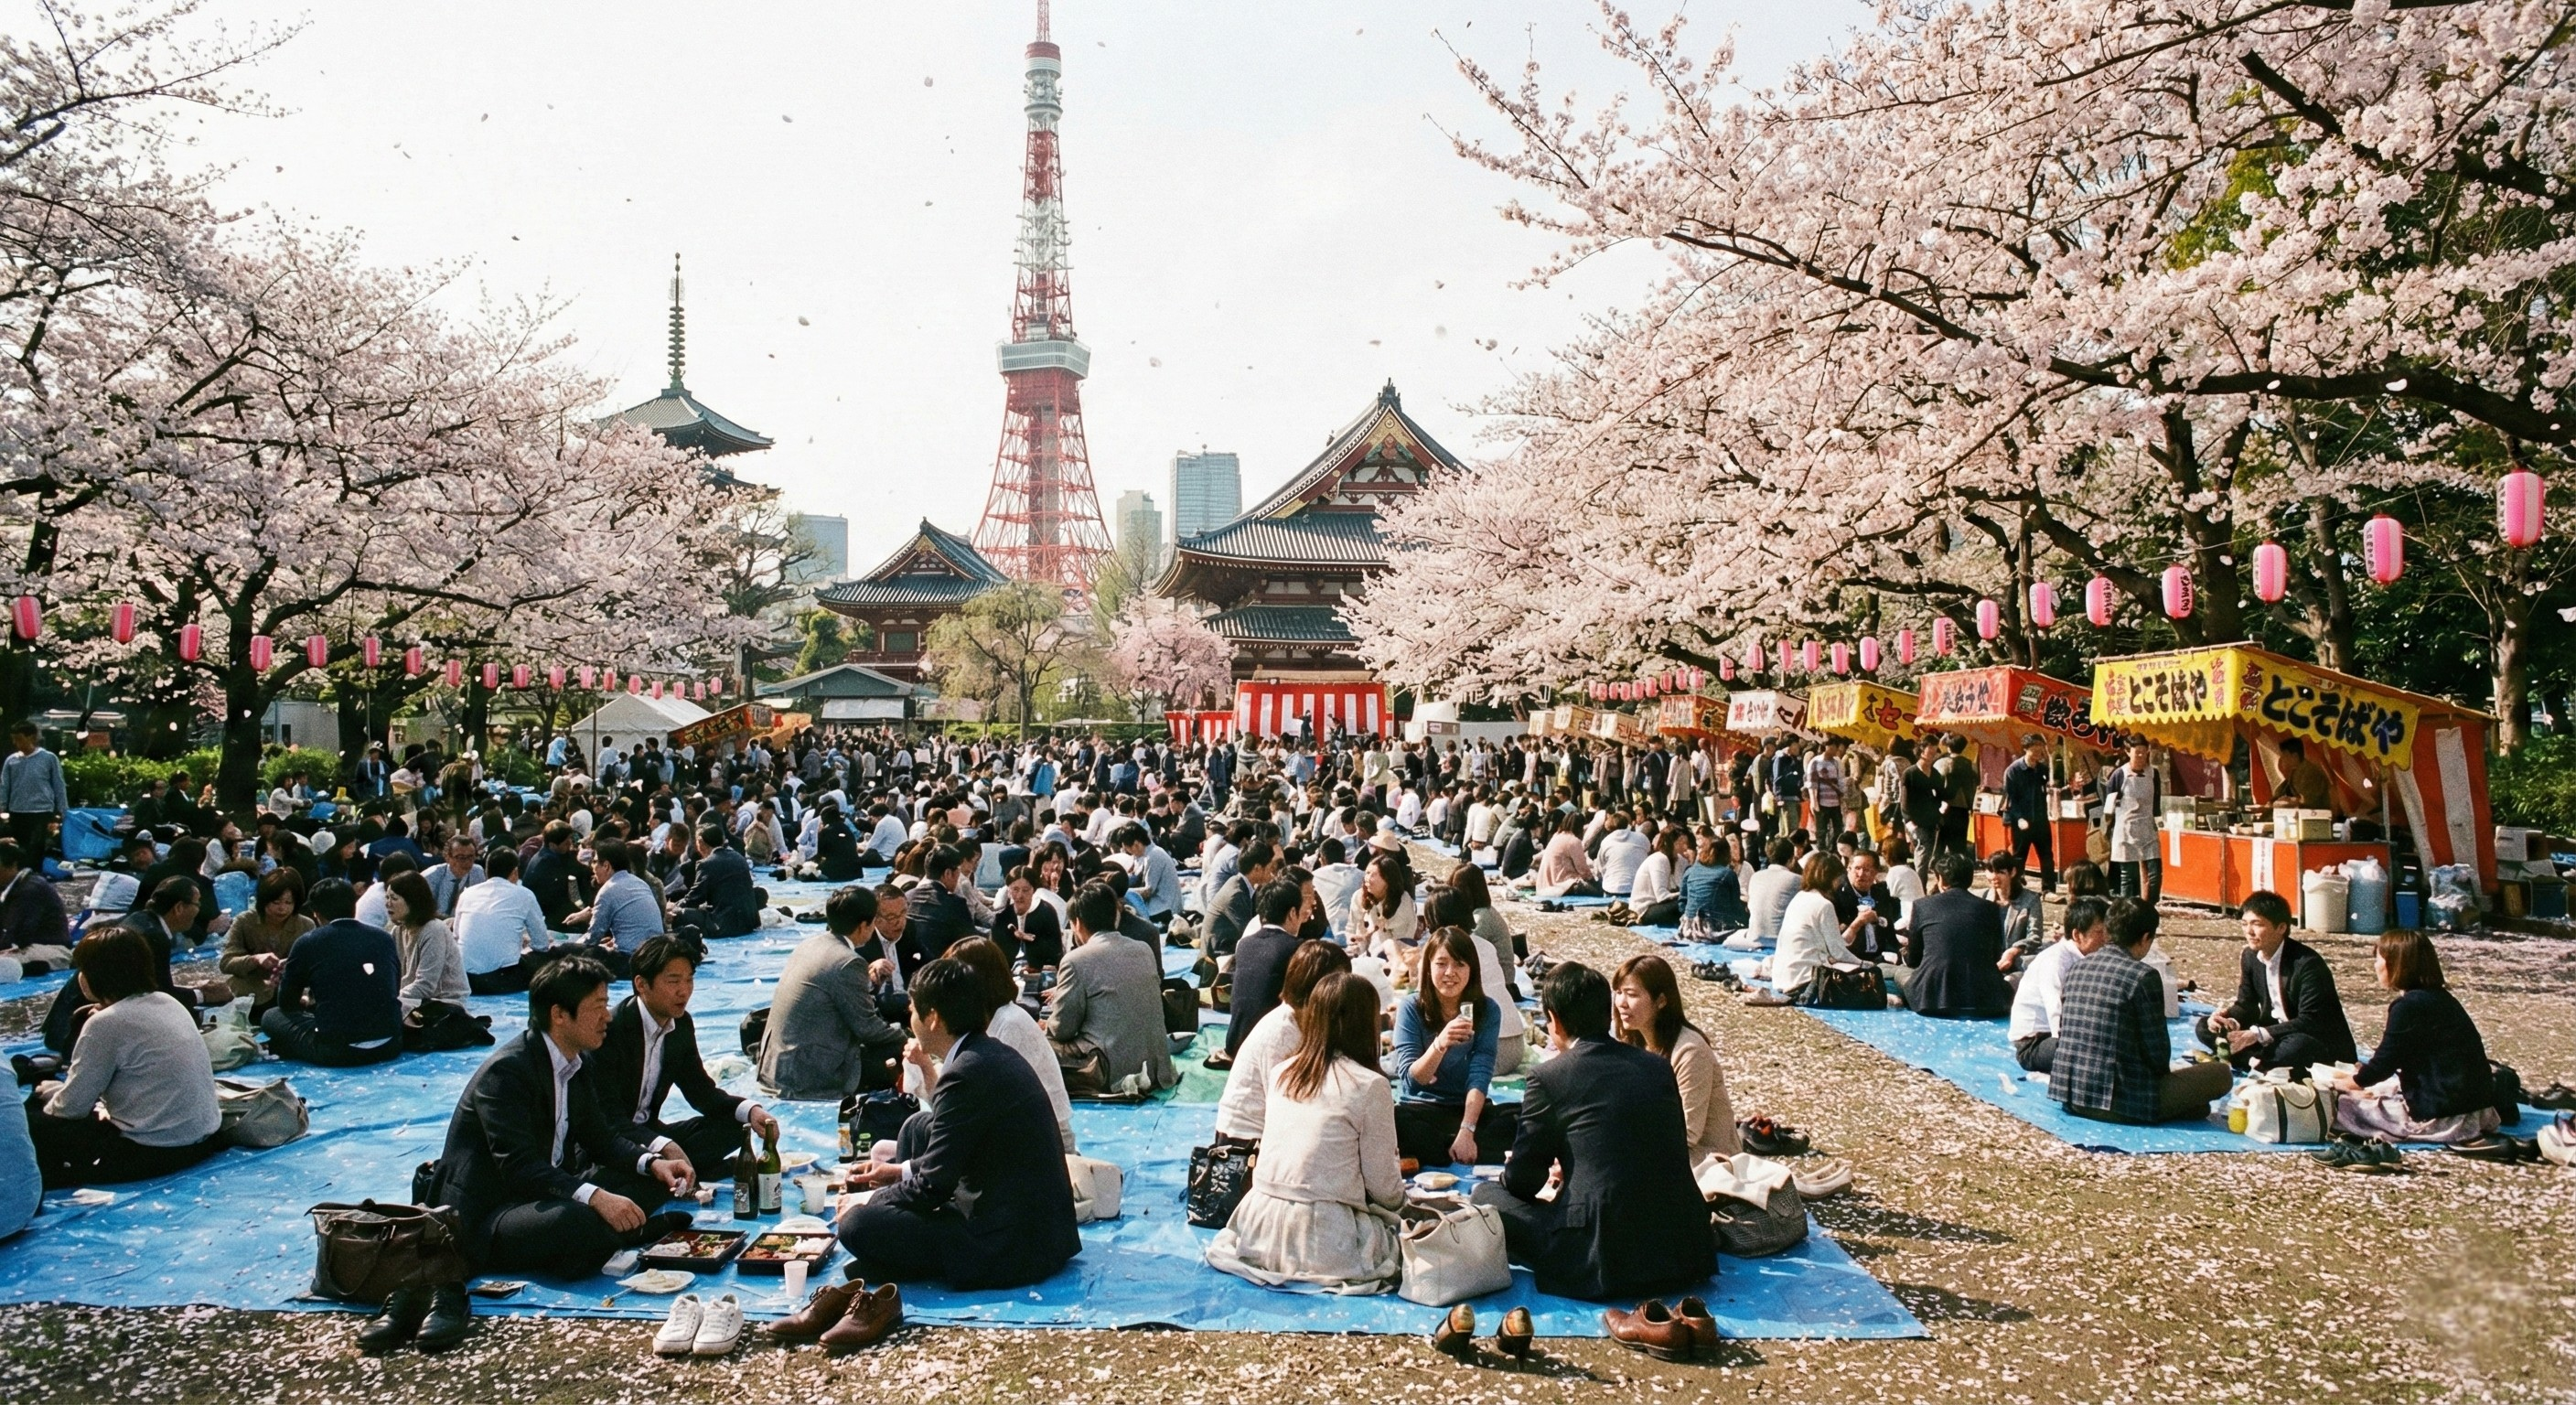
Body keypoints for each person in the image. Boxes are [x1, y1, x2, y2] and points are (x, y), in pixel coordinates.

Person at [424, 955, 692, 1316]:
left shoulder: (577, 1063)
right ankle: (626, 1234)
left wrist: (652, 1163)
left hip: (549, 1190)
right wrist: (596, 1197)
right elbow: (519, 1168)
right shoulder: (507, 1072)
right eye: (597, 1007)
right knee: (577, 1222)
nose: (608, 1017)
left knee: (645, 1181)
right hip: (494, 1209)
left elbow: (602, 1138)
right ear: (559, 1014)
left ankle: (611, 1237)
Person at [835, 957, 1082, 1290]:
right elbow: (959, 1147)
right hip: (1042, 1230)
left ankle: (919, 1255)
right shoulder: (986, 1054)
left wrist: (870, 1200)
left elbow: (932, 1186)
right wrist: (898, 1172)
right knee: (918, 1127)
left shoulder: (966, 1072)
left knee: (857, 1224)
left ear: (933, 1017)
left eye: (913, 1010)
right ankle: (907, 1250)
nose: (910, 1020)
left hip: (1012, 1245)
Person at [1472, 961, 1712, 1301]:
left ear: (1553, 1020)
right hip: (1682, 1248)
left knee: (1485, 1196)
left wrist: (1535, 1179)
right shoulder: (1657, 1066)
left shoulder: (1550, 1077)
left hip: (1605, 1256)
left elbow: (1524, 1179)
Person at [1205, 971, 1404, 1292]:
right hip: (1324, 1237)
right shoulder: (1371, 1086)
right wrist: (1405, 1204)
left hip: (1258, 1226)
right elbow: (1384, 1187)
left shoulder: (1283, 1071)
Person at [24, 928, 223, 1186]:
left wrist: (50, 1096)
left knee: (28, 1121)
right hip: (202, 1139)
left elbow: (71, 1109)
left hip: (152, 1150)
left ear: (98, 975)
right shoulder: (167, 1000)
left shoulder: (105, 1023)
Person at [585, 935, 780, 1172]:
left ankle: (673, 1167)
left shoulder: (681, 1025)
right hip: (614, 1139)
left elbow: (701, 1092)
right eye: (673, 981)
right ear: (641, 984)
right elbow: (608, 1118)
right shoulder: (611, 1030)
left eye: (689, 980)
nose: (684, 991)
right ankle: (667, 1167)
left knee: (738, 1127)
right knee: (620, 1172)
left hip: (650, 1130)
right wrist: (663, 1145)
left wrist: (751, 1110)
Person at [2050, 898, 2234, 1124]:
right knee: (2220, 1074)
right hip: (2122, 1100)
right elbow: (2156, 1052)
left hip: (2072, 1095)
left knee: (2196, 1103)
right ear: (2146, 938)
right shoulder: (2142, 976)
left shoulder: (2078, 966)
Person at [2325, 930, 2499, 1145]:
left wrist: (2341, 1083)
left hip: (2443, 1114)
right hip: (2475, 1106)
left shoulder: (2408, 1006)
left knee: (2337, 1107)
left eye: (2378, 959)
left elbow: (2382, 1066)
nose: (2375, 966)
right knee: (2379, 1092)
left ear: (2397, 963)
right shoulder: (2440, 997)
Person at [907, 938, 1075, 1154]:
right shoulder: (986, 1024)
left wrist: (927, 1067)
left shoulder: (1009, 1024)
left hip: (1042, 1143)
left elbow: (963, 1111)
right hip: (1008, 1134)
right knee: (915, 1130)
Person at [759, 885, 906, 1100]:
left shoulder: (810, 944)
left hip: (777, 1064)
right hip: (807, 1075)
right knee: (899, 1053)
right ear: (864, 925)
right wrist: (906, 1037)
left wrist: (871, 985)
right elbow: (868, 1029)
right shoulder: (848, 961)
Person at [1392, 927, 1518, 1165]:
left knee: (1522, 1120)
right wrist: (1439, 1044)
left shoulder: (1487, 1010)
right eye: (1441, 963)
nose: (1450, 973)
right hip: (1421, 1110)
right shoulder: (1411, 1007)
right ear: (1428, 968)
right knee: (1392, 1122)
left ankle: (1449, 1149)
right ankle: (1462, 1151)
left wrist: (1467, 1130)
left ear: (1472, 970)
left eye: (1460, 964)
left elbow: (1480, 1075)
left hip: (1467, 1111)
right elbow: (1411, 1080)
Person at [2197, 890, 2357, 1072]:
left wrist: (2256, 1035)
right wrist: (2228, 1019)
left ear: (2281, 928)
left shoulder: (2307, 964)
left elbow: (2310, 1021)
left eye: (2257, 924)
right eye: (2245, 924)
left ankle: (2247, 1059)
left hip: (2311, 1038)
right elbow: (2246, 1005)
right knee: (2204, 1027)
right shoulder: (2250, 956)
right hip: (2271, 1035)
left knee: (2297, 1047)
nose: (2249, 932)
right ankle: (2255, 1062)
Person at [1213, 941, 1352, 1144]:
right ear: (1315, 987)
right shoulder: (1281, 1033)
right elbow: (1284, 1110)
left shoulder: (1305, 1019)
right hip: (1244, 1141)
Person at [1046, 883, 1176, 1095]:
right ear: (1116, 916)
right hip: (1155, 1067)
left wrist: (1045, 1025)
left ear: (1077, 923)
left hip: (1109, 1069)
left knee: (1033, 1045)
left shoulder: (1075, 961)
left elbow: (1062, 1030)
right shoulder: (1143, 950)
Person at [259, 879, 403, 1067]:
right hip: (390, 1043)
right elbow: (392, 987)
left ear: (316, 913)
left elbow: (286, 1003)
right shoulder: (383, 938)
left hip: (338, 1049)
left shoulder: (309, 942)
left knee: (271, 1016)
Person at [1612, 953, 1737, 1161]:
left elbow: (1689, 1133)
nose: (1622, 1003)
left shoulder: (1690, 1051)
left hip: (1705, 1158)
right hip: (1658, 1145)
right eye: (1618, 992)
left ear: (1661, 1001)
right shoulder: (1633, 1043)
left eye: (1632, 994)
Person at [1898, 851, 2012, 1017]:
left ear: (1941, 880)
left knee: (1897, 972)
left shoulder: (1922, 905)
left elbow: (1914, 959)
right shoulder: (1990, 908)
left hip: (1933, 998)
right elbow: (1995, 955)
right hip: (1986, 997)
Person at [2009, 897, 2108, 1074]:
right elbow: (2057, 1013)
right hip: (2035, 1042)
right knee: (2096, 1056)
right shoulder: (2055, 961)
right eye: (2100, 932)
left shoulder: (2089, 956)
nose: (2106, 939)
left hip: (2069, 1034)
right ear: (2077, 935)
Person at [1221, 878, 1311, 1060]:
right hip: (1270, 1047)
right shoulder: (1296, 948)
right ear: (1293, 913)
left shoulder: (1244, 944)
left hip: (1236, 1042)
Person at [453, 848, 553, 996]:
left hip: (466, 979)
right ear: (514, 872)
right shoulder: (524, 894)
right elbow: (542, 945)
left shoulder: (467, 894)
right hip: (503, 980)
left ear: (487, 872)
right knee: (548, 961)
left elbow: (457, 935)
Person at [1771, 853, 1863, 1004]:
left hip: (1783, 977)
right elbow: (1838, 951)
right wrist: (1863, 964)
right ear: (1832, 878)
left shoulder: (1800, 897)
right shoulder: (1824, 905)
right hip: (1805, 980)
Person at [566, 839, 663, 977]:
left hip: (631, 961)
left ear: (606, 865)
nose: (592, 868)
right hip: (655, 956)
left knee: (577, 953)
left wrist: (571, 947)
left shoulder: (608, 891)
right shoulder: (640, 883)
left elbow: (592, 937)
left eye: (595, 862)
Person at [383, 870, 469, 1020]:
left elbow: (426, 985)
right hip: (411, 999)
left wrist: (389, 999)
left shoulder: (433, 930)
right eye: (387, 897)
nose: (388, 903)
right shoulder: (398, 931)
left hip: (443, 1003)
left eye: (394, 898)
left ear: (412, 901)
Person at [220, 871, 313, 1009]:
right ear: (264, 900)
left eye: (289, 903)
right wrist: (255, 960)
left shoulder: (306, 925)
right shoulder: (244, 921)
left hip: (289, 995)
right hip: (248, 995)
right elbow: (226, 963)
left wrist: (292, 966)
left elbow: (313, 966)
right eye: (276, 902)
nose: (282, 908)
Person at [671, 821, 761, 941]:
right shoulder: (738, 857)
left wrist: (673, 908)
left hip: (725, 925)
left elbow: (694, 898)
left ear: (701, 842)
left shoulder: (707, 864)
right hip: (749, 922)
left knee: (679, 915)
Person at [2102, 740, 2163, 903]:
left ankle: (2150, 907)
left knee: (2154, 874)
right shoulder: (2119, 774)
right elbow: (2108, 804)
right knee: (2128, 876)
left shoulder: (2153, 774)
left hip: (2147, 828)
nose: (2141, 756)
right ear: (2128, 752)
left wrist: (2159, 821)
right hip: (2125, 829)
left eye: (2144, 752)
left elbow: (2156, 801)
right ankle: (2126, 910)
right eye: (2138, 752)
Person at [0, 839, 70, 979]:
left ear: (13, 865)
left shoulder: (30, 889)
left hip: (49, 949)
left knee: (8, 961)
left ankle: (30, 968)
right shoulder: (10, 887)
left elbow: (17, 935)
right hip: (24, 946)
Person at [1, 721, 68, 860]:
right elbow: (4, 786)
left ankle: (34, 877)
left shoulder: (48, 758)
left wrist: (62, 811)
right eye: (14, 739)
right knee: (19, 849)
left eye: (19, 739)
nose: (16, 743)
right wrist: (2, 807)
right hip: (17, 811)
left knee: (35, 850)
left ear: (31, 737)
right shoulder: (11, 761)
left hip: (41, 811)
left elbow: (58, 785)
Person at [1201, 839, 1276, 959]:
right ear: (1257, 868)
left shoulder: (1245, 886)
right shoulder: (1236, 893)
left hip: (1227, 944)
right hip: (1216, 956)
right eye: (1270, 868)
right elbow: (1251, 933)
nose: (1272, 873)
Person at [2001, 735, 2055, 893]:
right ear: (2026, 749)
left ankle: (2049, 889)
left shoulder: (2042, 769)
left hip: (2040, 820)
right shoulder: (2014, 770)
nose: (2039, 752)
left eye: (2041, 748)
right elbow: (2010, 799)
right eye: (2035, 748)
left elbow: (2047, 790)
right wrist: (2018, 818)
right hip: (2022, 821)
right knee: (2019, 857)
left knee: (2046, 856)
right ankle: (2015, 888)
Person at [991, 865, 1065, 973]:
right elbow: (996, 956)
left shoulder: (1046, 912)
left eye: (1025, 890)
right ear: (1009, 891)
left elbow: (1055, 953)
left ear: (1033, 890)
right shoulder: (1002, 916)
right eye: (1015, 889)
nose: (1020, 895)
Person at [1351, 846, 1419, 961]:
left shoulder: (1402, 903)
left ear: (1388, 880)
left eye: (1373, 875)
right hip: (1368, 949)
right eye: (1367, 873)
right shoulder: (1359, 896)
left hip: (1396, 951)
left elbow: (1402, 940)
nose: (1367, 878)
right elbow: (1355, 926)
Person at [1678, 832, 1747, 930]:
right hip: (1714, 927)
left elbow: (1682, 903)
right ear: (1727, 854)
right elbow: (1735, 908)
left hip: (1688, 926)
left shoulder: (1690, 871)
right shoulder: (1728, 874)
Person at [1744, 838, 1802, 940]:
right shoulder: (1796, 880)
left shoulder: (1756, 877)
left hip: (1754, 937)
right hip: (1781, 941)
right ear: (1791, 859)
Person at [1533, 812, 1602, 898]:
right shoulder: (1574, 841)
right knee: (1600, 888)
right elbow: (1583, 870)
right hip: (1563, 886)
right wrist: (1594, 881)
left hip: (1545, 885)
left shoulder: (1556, 836)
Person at [423, 835, 486, 920]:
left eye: (471, 857)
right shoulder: (431, 877)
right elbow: (423, 912)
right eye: (461, 858)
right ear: (448, 857)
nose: (467, 862)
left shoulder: (477, 872)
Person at [2276, 737, 2335, 814]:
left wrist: (2291, 801)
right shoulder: (2296, 771)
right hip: (2306, 814)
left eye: (2285, 755)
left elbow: (2309, 801)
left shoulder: (2310, 772)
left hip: (2317, 816)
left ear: (2295, 756)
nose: (2282, 758)